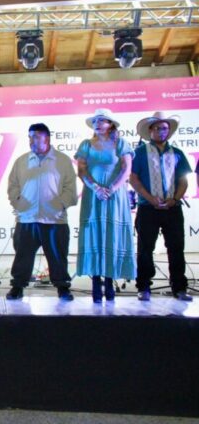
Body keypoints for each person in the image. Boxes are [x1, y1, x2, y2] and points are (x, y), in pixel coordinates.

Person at [6, 123, 77, 301]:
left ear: (47, 138)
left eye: (36, 137)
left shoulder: (62, 160)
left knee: (57, 256)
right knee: (22, 256)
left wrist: (60, 205)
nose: (32, 140)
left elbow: (70, 188)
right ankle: (17, 286)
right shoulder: (21, 161)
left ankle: (62, 287)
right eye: (30, 137)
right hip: (27, 219)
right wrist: (18, 203)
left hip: (54, 219)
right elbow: (13, 185)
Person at [129, 112, 193, 301]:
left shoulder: (177, 153)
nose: (161, 131)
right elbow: (133, 179)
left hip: (173, 208)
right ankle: (144, 287)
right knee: (145, 248)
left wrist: (175, 199)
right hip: (148, 208)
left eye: (164, 128)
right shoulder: (140, 152)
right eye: (157, 128)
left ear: (169, 131)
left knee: (176, 248)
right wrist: (150, 198)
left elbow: (183, 180)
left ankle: (179, 287)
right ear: (150, 131)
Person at [74, 109, 136, 303]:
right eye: (95, 121)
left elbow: (126, 169)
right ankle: (95, 281)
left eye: (102, 120)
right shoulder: (86, 144)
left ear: (111, 124)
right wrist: (95, 188)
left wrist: (111, 189)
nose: (98, 124)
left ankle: (109, 281)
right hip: (93, 195)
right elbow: (82, 170)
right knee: (94, 235)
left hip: (114, 195)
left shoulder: (120, 143)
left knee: (111, 234)